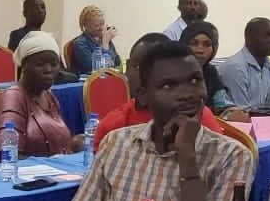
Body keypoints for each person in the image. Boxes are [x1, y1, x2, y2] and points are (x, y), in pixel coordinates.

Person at [64, 41, 254, 201]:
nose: (187, 94)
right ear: (143, 96)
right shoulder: (116, 142)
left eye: (195, 80)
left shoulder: (232, 156)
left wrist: (187, 158)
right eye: (168, 86)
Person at [93, 33, 225, 152]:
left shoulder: (198, 117)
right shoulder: (113, 129)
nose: (146, 75)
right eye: (139, 67)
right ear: (127, 68)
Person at [0, 32, 82, 161]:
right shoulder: (12, 98)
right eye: (40, 64)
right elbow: (7, 156)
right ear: (24, 66)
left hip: (56, 173)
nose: (48, 70)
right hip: (24, 177)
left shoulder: (49, 96)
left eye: (54, 64)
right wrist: (51, 165)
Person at [182, 22, 249, 123]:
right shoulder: (174, 71)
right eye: (194, 43)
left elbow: (221, 103)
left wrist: (231, 113)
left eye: (207, 44)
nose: (200, 50)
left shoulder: (210, 72)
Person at [218, 18, 270, 110]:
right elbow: (242, 111)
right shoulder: (235, 67)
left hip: (260, 120)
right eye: (267, 35)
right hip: (237, 122)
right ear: (249, 38)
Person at [69, 5, 121, 75]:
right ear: (86, 26)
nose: (102, 28)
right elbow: (97, 69)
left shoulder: (104, 38)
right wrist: (105, 44)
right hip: (89, 82)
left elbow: (118, 62)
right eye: (97, 25)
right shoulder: (80, 43)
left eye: (102, 24)